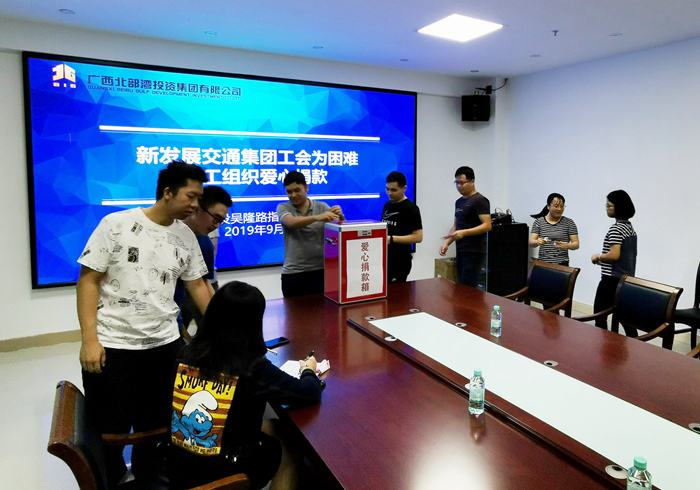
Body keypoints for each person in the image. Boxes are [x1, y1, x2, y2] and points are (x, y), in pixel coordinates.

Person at [76, 160, 213, 487]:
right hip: (114, 347)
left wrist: (222, 329)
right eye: (191, 196)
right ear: (167, 192)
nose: (196, 205)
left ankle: (150, 477)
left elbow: (197, 286)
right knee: (110, 427)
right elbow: (88, 281)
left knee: (157, 424)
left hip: (165, 347)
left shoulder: (186, 236)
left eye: (199, 198)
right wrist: (90, 340)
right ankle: (111, 478)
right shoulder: (116, 224)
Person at [167, 281, 324, 490]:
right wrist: (308, 370)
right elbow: (309, 393)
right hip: (221, 469)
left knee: (277, 426)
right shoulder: (250, 366)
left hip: (178, 465)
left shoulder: (187, 354)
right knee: (292, 451)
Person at [277, 171, 345, 297]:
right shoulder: (283, 207)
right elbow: (291, 222)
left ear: (306, 188)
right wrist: (317, 217)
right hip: (293, 273)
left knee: (324, 309)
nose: (293, 195)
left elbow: (340, 231)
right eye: (289, 192)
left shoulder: (322, 207)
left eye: (297, 190)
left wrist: (341, 217)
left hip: (321, 271)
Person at [175, 185, 233, 333]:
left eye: (221, 221)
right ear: (197, 208)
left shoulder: (205, 244)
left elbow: (204, 283)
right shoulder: (167, 232)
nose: (216, 225)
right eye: (215, 218)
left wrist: (221, 325)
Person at [591, 190, 637, 333]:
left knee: (599, 315)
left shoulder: (616, 229)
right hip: (625, 280)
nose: (607, 208)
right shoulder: (629, 227)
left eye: (609, 206)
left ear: (619, 207)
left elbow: (614, 255)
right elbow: (624, 256)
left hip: (610, 280)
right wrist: (605, 261)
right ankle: (635, 343)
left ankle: (603, 343)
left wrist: (598, 256)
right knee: (625, 318)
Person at [439, 166, 492, 289]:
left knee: (469, 288)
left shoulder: (480, 200)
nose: (459, 186)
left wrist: (464, 233)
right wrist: (446, 243)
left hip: (474, 252)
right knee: (462, 286)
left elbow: (487, 225)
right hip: (461, 250)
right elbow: (456, 225)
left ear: (472, 182)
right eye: (456, 183)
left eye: (462, 182)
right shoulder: (459, 202)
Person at [381, 171, 423, 283]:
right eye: (387, 189)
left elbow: (418, 237)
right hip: (385, 259)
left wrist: (392, 239)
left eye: (394, 190)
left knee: (397, 292)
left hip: (400, 261)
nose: (389, 193)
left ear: (404, 188)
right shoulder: (387, 205)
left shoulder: (411, 208)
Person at [529, 193, 580, 266]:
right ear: (548, 206)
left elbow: (576, 244)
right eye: (556, 206)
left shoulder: (569, 222)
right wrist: (537, 242)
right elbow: (531, 242)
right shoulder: (539, 222)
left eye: (562, 206)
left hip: (562, 263)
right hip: (543, 262)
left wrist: (568, 245)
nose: (559, 209)